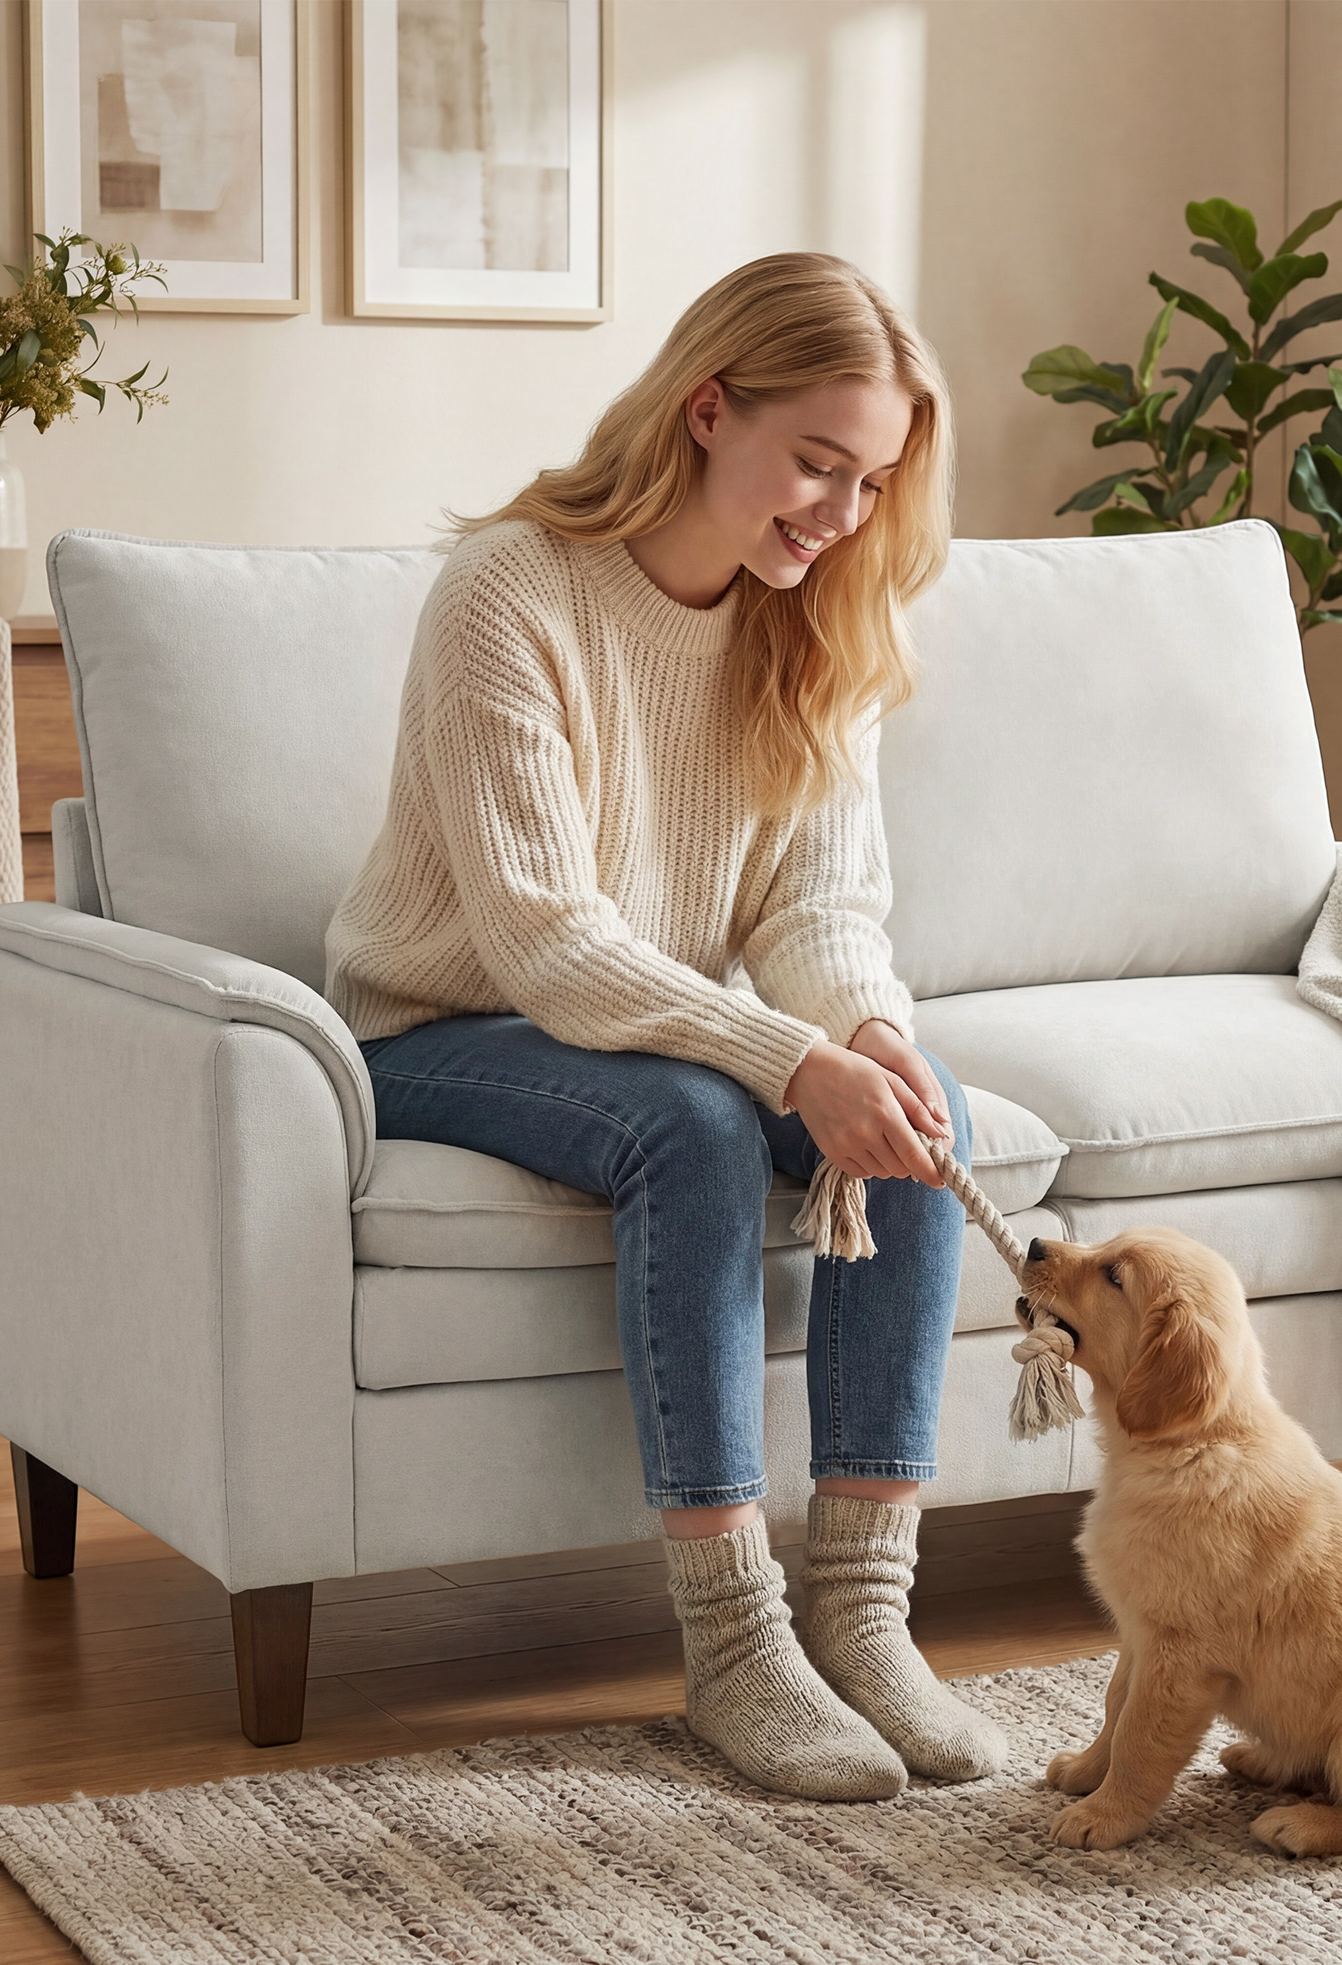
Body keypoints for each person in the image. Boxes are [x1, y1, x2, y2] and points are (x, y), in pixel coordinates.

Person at [325, 253, 1003, 1802]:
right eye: (814, 464)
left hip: (637, 1019)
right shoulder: (512, 590)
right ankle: (733, 1641)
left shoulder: (819, 615)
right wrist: (788, 1057)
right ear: (708, 410)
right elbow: (552, 946)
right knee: (694, 1126)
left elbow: (818, 915)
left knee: (921, 1104)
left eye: (870, 478)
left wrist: (867, 1033)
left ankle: (864, 1618)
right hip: (444, 1026)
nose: (838, 512)